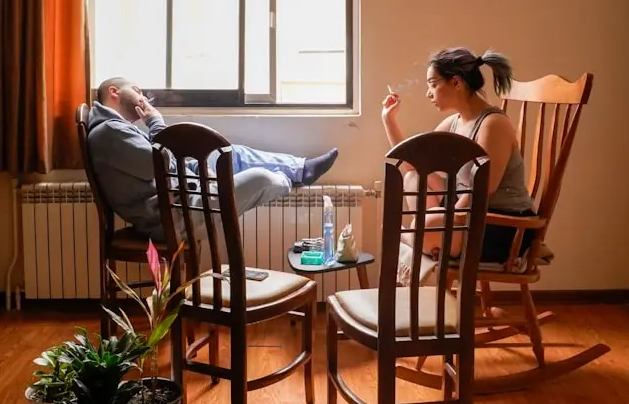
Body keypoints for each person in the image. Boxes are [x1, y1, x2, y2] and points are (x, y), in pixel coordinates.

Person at [88, 77, 339, 243]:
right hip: (174, 216)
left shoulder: (114, 130)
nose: (143, 98)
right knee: (261, 179)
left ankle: (300, 169)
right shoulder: (109, 132)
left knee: (230, 153)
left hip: (180, 200)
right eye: (137, 91)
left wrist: (198, 166)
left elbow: (163, 160)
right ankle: (287, 180)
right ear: (114, 92)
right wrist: (155, 122)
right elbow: (161, 163)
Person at [380, 47, 537, 264]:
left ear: (456, 83)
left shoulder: (494, 124)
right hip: (471, 216)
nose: (428, 93)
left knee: (426, 224)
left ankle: (413, 236)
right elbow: (413, 164)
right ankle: (428, 238)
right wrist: (389, 120)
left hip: (503, 226)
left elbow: (482, 189)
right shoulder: (455, 122)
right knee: (414, 178)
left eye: (433, 85)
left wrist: (442, 218)